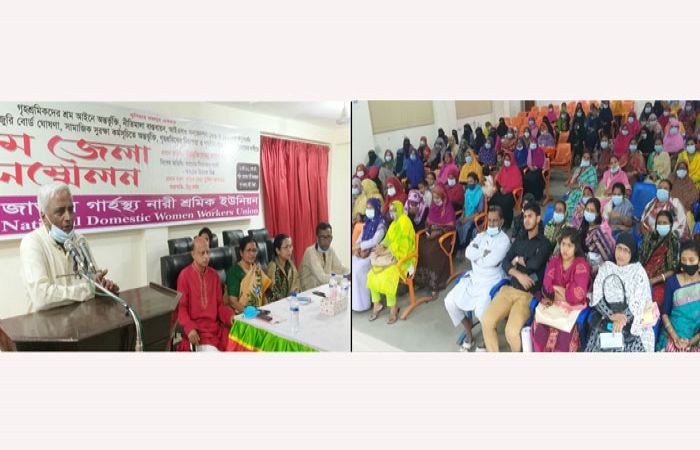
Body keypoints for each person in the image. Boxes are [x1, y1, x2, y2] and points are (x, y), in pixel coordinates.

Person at [19, 182, 118, 314]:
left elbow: (94, 282)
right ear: (44, 216)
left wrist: (104, 288)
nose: (69, 217)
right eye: (60, 212)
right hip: (46, 323)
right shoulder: (32, 243)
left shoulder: (80, 241)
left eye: (71, 210)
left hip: (81, 320)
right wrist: (89, 290)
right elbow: (41, 296)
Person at [481, 203, 551, 352]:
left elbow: (535, 264)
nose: (527, 219)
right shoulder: (519, 240)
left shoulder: (545, 243)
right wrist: (519, 274)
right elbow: (505, 262)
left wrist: (518, 259)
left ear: (538, 218)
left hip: (527, 294)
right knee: (486, 321)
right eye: (525, 216)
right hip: (510, 288)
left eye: (530, 216)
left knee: (511, 332)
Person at [445, 206, 511, 351]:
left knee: (481, 311)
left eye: (495, 221)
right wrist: (483, 253)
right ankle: (469, 331)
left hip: (492, 280)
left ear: (501, 222)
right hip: (474, 277)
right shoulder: (481, 236)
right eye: (490, 220)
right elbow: (468, 252)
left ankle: (488, 341)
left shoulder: (504, 241)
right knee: (449, 301)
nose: (491, 224)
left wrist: (477, 257)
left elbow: (492, 261)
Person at [585, 232, 655, 353]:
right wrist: (611, 315)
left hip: (631, 323)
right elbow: (597, 297)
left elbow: (640, 303)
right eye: (619, 248)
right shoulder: (606, 268)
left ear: (632, 253)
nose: (621, 254)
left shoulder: (638, 272)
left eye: (626, 251)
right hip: (607, 318)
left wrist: (622, 319)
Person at [531, 227, 591, 352]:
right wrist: (565, 291)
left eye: (569, 245)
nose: (565, 249)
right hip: (552, 305)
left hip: (570, 310)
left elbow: (577, 295)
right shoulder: (554, 260)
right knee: (539, 336)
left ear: (576, 247)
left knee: (562, 344)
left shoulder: (581, 265)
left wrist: (558, 290)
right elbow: (546, 288)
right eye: (563, 244)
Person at [176, 237, 234, 352]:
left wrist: (230, 317)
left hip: (215, 329)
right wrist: (189, 328)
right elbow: (181, 308)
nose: (206, 256)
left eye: (208, 252)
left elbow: (219, 305)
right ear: (193, 254)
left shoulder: (214, 275)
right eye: (202, 253)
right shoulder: (184, 276)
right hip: (197, 332)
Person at [367, 201, 416, 324]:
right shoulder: (393, 224)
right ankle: (377, 304)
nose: (392, 212)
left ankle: (393, 308)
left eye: (394, 210)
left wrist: (385, 252)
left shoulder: (405, 222)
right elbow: (387, 239)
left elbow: (402, 246)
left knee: (388, 275)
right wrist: (381, 246)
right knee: (372, 273)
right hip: (392, 257)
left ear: (399, 209)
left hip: (404, 259)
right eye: (390, 210)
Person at [414, 186, 456, 299]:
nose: (436, 200)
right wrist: (428, 231)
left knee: (431, 253)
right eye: (434, 198)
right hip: (432, 235)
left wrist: (438, 231)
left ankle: (435, 284)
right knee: (419, 248)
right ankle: (422, 280)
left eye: (438, 198)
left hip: (444, 237)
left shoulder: (448, 208)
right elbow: (428, 223)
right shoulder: (433, 207)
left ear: (443, 197)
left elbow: (451, 227)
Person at [657, 240, 700, 352]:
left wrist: (691, 341)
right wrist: (676, 338)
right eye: (684, 260)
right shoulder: (672, 282)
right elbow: (665, 314)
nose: (687, 264)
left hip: (696, 338)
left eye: (691, 260)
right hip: (672, 335)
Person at [351, 199, 387, 312]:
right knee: (352, 263)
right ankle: (355, 303)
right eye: (367, 208)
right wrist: (357, 248)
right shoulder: (368, 222)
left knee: (358, 270)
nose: (368, 210)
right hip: (363, 251)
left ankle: (364, 304)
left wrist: (361, 247)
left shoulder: (381, 223)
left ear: (376, 208)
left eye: (370, 208)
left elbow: (375, 241)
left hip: (374, 253)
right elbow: (361, 237)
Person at [639, 210, 679, 310]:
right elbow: (640, 259)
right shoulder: (649, 238)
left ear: (670, 224)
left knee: (654, 304)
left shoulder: (673, 242)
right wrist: (641, 276)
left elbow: (674, 269)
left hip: (662, 280)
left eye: (665, 223)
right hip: (643, 275)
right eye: (659, 223)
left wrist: (654, 280)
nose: (661, 225)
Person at [225, 236, 272, 313]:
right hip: (242, 314)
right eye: (248, 250)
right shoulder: (234, 272)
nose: (252, 254)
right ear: (241, 253)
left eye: (254, 250)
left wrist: (266, 309)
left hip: (259, 312)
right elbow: (233, 301)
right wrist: (250, 312)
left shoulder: (257, 270)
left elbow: (262, 294)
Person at [299, 223, 348, 291]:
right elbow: (322, 278)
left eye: (328, 237)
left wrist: (349, 273)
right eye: (322, 237)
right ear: (317, 238)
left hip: (323, 289)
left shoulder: (331, 250)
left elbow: (340, 268)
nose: (326, 240)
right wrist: (345, 277)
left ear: (331, 238)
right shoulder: (310, 252)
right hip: (309, 292)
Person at [578, 198, 616, 269]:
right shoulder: (583, 224)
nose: (589, 212)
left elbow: (607, 256)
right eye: (587, 209)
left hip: (597, 268)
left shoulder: (601, 231)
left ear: (598, 213)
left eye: (592, 211)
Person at [489, 152, 522, 229]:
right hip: (502, 190)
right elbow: (498, 180)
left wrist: (507, 190)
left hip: (512, 193)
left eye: (508, 160)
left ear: (512, 160)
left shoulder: (516, 170)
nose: (506, 161)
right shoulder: (502, 169)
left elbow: (517, 184)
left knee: (506, 203)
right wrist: (500, 188)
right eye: (505, 159)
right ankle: (494, 219)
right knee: (492, 200)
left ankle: (507, 223)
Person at [266, 234, 301, 303]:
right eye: (286, 247)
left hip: (292, 301)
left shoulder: (291, 264)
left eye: (290, 246)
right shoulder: (272, 267)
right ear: (278, 250)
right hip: (278, 304)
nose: (289, 250)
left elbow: (297, 285)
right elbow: (272, 292)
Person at [456, 172, 484, 248]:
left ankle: (465, 244)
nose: (469, 183)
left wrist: (466, 219)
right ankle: (458, 243)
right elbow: (465, 206)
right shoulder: (467, 192)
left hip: (476, 216)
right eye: (468, 181)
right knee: (457, 223)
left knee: (466, 225)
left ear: (476, 182)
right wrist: (462, 216)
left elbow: (479, 212)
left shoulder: (480, 193)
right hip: (467, 214)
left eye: (471, 181)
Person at [668, 159, 699, 228]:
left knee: (688, 219)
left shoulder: (690, 182)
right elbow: (667, 193)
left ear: (687, 170)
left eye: (683, 168)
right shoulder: (671, 179)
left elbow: (695, 196)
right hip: (670, 208)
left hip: (686, 210)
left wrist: (683, 208)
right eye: (679, 168)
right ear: (676, 169)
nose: (681, 170)